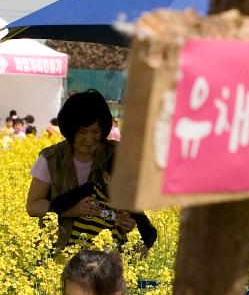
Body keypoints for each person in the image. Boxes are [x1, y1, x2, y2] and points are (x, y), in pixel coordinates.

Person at [24, 91, 157, 252]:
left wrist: (129, 221)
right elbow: (33, 205)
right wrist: (71, 210)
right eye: (82, 132)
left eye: (95, 132)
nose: (89, 139)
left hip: (107, 256)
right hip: (59, 247)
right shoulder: (51, 158)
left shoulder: (117, 154)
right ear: (70, 130)